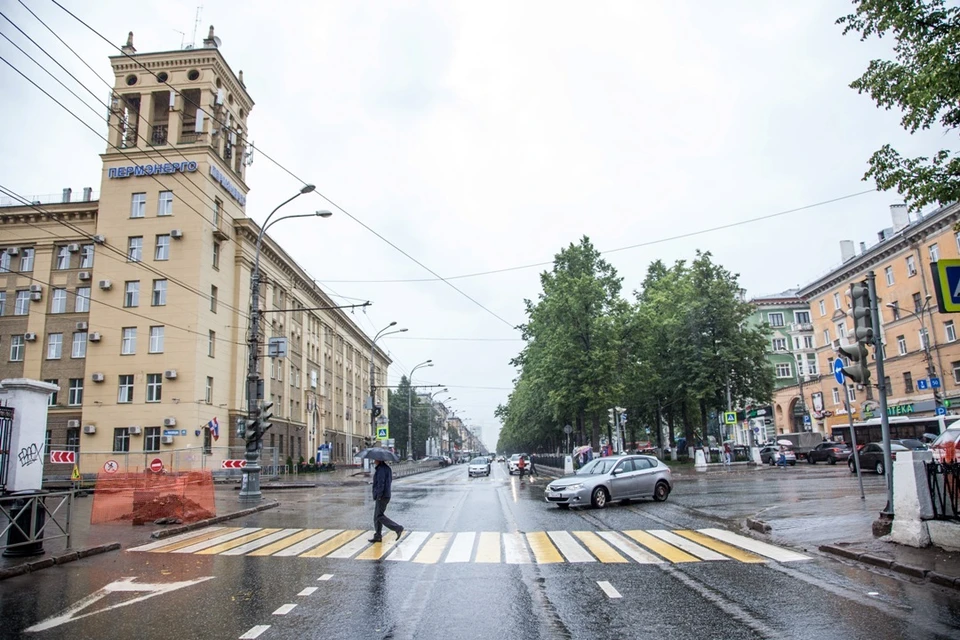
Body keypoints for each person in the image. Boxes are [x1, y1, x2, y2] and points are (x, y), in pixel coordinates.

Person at [369, 459, 403, 543]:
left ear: (379, 460)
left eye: (375, 460)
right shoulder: (387, 468)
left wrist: (379, 495)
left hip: (382, 496)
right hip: (386, 495)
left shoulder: (381, 470)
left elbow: (381, 483)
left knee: (378, 516)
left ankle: (397, 528)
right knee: (377, 516)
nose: (374, 461)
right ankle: (378, 535)